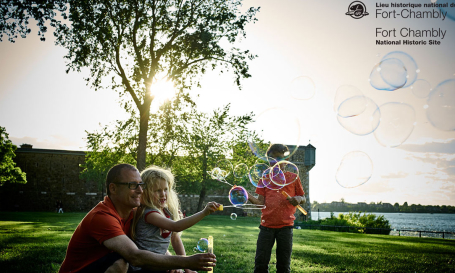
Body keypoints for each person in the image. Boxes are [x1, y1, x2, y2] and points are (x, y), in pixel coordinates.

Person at [59, 163, 216, 273]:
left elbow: (150, 245)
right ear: (113, 188)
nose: (141, 190)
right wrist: (186, 261)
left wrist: (173, 264)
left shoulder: (134, 213)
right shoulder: (102, 217)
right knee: (121, 262)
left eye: (141, 185)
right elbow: (135, 256)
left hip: (118, 266)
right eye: (133, 185)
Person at [130, 166, 221, 273]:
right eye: (157, 190)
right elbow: (176, 226)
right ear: (145, 193)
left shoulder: (166, 212)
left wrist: (187, 269)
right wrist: (204, 212)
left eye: (165, 189)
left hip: (160, 263)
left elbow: (175, 239)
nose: (163, 194)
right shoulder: (149, 213)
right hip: (145, 266)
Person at [248, 144, 306, 273]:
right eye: (272, 159)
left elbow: (303, 198)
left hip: (286, 228)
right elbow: (260, 203)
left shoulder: (293, 177)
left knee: (283, 266)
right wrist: (247, 196)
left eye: (280, 158)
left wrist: (298, 199)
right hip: (266, 227)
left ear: (286, 160)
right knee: (260, 264)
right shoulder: (265, 177)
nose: (276, 162)